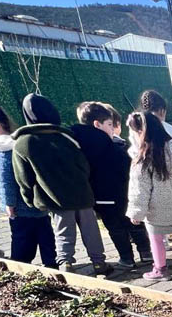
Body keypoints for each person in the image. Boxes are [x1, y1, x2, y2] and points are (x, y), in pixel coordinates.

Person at [12, 93, 110, 275]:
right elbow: (83, 164)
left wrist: (29, 199)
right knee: (91, 230)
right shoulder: (66, 137)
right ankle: (99, 263)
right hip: (82, 193)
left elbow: (23, 178)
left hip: (55, 197)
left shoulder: (23, 143)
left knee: (64, 231)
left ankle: (66, 264)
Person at [0, 90, 55, 266]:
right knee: (46, 235)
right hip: (37, 201)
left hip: (20, 207)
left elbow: (5, 179)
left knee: (22, 238)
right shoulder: (20, 141)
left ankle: (20, 264)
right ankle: (52, 264)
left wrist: (9, 203)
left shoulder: (1, 147)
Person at [70, 101, 147, 270]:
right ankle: (146, 252)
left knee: (115, 227)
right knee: (133, 222)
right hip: (122, 191)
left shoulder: (78, 143)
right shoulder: (109, 144)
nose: (112, 128)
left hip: (100, 196)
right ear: (97, 124)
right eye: (110, 124)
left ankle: (127, 258)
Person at [125, 111, 172, 280]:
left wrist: (136, 212)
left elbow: (139, 188)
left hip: (156, 210)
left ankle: (160, 269)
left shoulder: (143, 158)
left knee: (156, 239)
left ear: (141, 132)